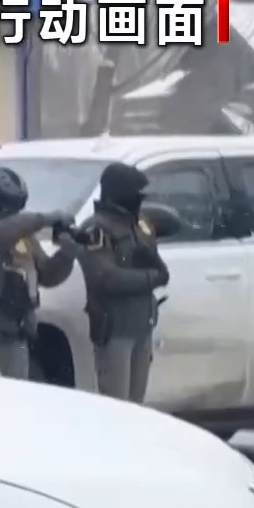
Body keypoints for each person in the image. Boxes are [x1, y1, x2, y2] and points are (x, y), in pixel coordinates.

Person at [0, 166, 83, 380]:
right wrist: (43, 219)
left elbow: (46, 275)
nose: (13, 217)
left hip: (16, 332)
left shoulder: (22, 236)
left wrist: (66, 255)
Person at [77, 163, 170, 402]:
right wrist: (152, 277)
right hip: (115, 328)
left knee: (136, 405)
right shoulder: (96, 228)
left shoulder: (138, 224)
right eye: (135, 195)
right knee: (116, 404)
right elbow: (104, 277)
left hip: (141, 326)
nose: (139, 201)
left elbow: (172, 225)